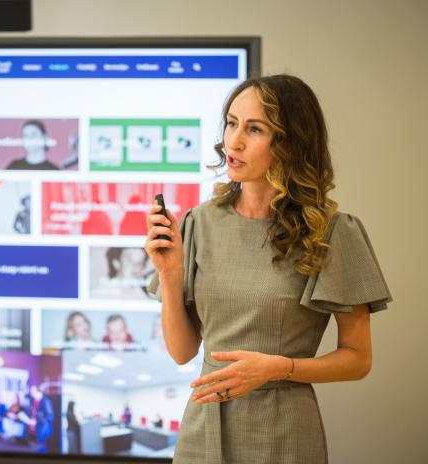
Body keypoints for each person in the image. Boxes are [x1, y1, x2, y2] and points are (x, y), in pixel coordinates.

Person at [144, 74, 392, 464]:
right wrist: (170, 273)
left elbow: (358, 359)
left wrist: (279, 368)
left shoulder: (330, 231)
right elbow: (182, 351)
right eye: (231, 123)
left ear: (290, 144)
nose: (233, 142)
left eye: (254, 129)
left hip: (282, 430)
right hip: (202, 426)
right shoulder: (198, 223)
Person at [28, 384, 55, 452]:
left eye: (32, 391)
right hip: (32, 431)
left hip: (42, 431)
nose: (31, 392)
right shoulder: (32, 401)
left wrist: (37, 421)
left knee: (41, 451)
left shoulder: (45, 401)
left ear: (37, 391)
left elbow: (50, 417)